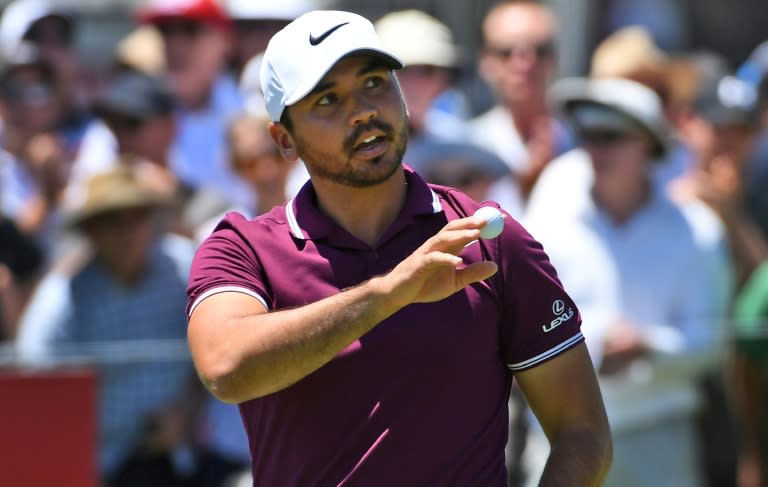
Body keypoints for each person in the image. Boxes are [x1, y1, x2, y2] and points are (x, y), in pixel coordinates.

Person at [186, 9, 611, 486]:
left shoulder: (489, 240)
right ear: (285, 140)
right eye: (328, 99)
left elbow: (583, 433)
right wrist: (390, 293)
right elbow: (225, 368)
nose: (363, 110)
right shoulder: (242, 248)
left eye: (374, 82)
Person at [524, 76, 731, 487]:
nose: (595, 150)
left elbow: (712, 342)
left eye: (611, 136)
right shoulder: (550, 210)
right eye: (587, 135)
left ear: (648, 145)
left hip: (657, 440)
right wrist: (598, 342)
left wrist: (648, 348)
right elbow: (522, 315)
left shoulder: (697, 231)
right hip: (558, 439)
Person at [15, 162, 202, 485]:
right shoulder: (62, 300)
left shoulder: (185, 268)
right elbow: (34, 390)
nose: (130, 232)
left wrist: (189, 409)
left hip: (189, 450)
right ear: (92, 231)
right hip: (99, 465)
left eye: (138, 217)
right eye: (114, 221)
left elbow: (221, 342)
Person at [470, 1, 575, 201]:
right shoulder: (467, 146)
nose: (524, 63)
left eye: (539, 50)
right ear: (485, 62)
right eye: (507, 52)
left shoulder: (586, 143)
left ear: (555, 60)